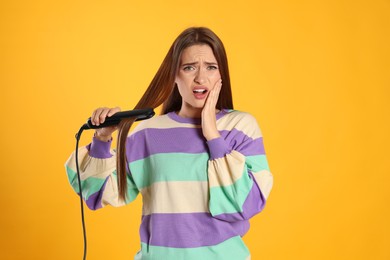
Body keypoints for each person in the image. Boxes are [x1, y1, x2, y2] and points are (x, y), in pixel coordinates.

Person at [65, 27, 273, 260]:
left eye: (211, 67)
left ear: (221, 75)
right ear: (174, 74)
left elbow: (247, 204)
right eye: (189, 67)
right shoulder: (147, 132)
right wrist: (102, 139)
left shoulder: (241, 127)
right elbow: (98, 193)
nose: (200, 78)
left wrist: (213, 135)